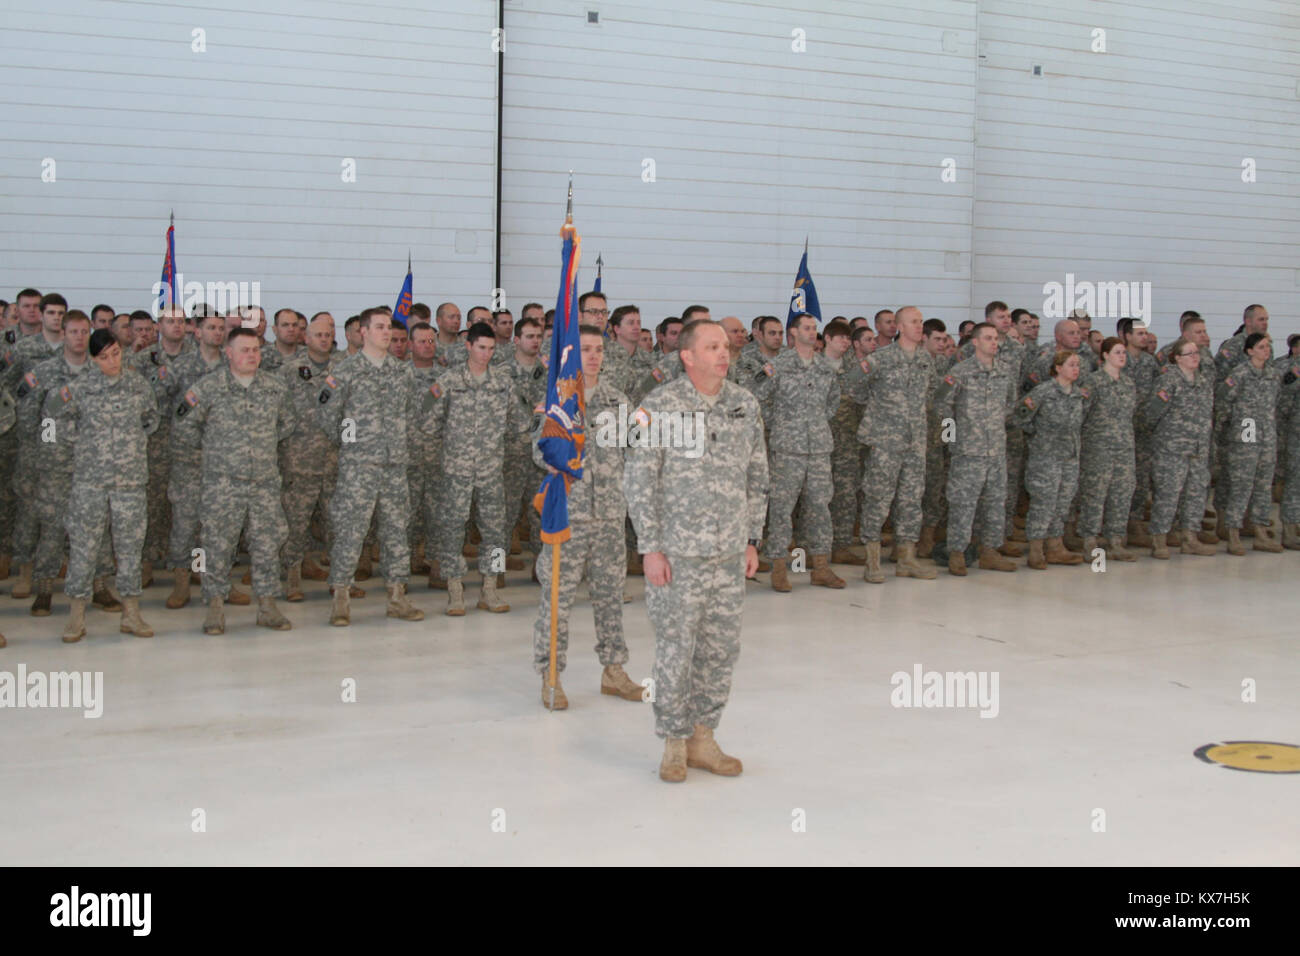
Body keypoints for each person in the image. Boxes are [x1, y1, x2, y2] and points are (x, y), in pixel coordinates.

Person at [625, 320, 767, 783]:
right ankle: (673, 741)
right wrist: (650, 547)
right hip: (678, 553)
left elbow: (757, 474)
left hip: (728, 552)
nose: (724, 354)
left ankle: (704, 737)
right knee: (675, 648)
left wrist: (751, 538)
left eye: (725, 346)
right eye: (712, 346)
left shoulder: (744, 404)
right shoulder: (659, 405)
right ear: (688, 356)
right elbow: (640, 479)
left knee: (721, 649)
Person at [532, 325, 642, 708]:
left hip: (610, 515)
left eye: (598, 350)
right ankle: (551, 675)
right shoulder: (559, 400)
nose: (593, 356)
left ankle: (614, 671)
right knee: (557, 599)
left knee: (611, 597)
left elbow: (637, 454)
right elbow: (537, 454)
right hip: (569, 517)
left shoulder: (617, 400)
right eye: (585, 350)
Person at [172, 328, 297, 634]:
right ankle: (215, 608)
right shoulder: (208, 387)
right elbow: (185, 427)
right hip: (223, 484)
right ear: (228, 353)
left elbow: (287, 423)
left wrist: (260, 447)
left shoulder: (275, 388)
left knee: (267, 545)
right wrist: (218, 451)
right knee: (217, 546)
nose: (252, 355)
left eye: (255, 349)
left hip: (264, 483)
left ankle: (268, 606)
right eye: (244, 350)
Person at [319, 308, 426, 625]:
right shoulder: (345, 371)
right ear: (362, 332)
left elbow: (410, 413)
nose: (386, 332)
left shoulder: (402, 371)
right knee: (350, 532)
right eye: (378, 327)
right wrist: (353, 441)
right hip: (359, 467)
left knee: (396, 532)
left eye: (388, 327)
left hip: (394, 465)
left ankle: (397, 596)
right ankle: (341, 596)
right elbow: (328, 417)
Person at [57, 331, 159, 642]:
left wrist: (132, 443)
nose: (112, 361)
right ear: (92, 359)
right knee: (84, 548)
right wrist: (86, 444)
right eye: (104, 357)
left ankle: (131, 614)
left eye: (116, 353)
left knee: (130, 548)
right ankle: (76, 616)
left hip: (129, 481)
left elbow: (152, 418)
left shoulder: (138, 384)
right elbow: (57, 422)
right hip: (91, 482)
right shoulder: (80, 388)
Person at [425, 322, 523, 615]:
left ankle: (489, 589)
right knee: (452, 529)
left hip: (492, 471)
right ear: (468, 346)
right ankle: (455, 590)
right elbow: (428, 422)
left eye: (491, 349)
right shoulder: (448, 381)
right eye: (481, 347)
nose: (486, 354)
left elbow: (517, 423)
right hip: (456, 471)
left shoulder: (504, 383)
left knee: (496, 531)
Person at [750, 313, 842, 591]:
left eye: (815, 328)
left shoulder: (826, 368)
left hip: (818, 448)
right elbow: (758, 398)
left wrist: (813, 423)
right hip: (787, 448)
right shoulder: (778, 365)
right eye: (806, 328)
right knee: (781, 507)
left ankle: (821, 566)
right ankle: (778, 566)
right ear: (793, 333)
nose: (812, 332)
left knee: (820, 507)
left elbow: (832, 402)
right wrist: (781, 423)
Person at [849, 306, 936, 583]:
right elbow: (854, 385)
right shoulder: (882, 358)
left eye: (921, 322)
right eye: (913, 322)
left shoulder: (925, 359)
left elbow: (930, 393)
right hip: (886, 441)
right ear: (899, 326)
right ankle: (872, 560)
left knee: (912, 499)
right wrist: (878, 411)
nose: (919, 326)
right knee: (878, 497)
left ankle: (906, 558)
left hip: (915, 440)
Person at [932, 323, 1018, 575]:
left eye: (996, 339)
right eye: (988, 338)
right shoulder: (960, 372)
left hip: (996, 450)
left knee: (995, 502)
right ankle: (957, 552)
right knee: (963, 503)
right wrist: (952, 438)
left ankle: (990, 551)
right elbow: (941, 404)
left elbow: (1010, 403)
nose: (995, 343)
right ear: (975, 342)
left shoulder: (1004, 372)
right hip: (968, 452)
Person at [280, 313, 346, 601]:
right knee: (296, 523)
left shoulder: (343, 370)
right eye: (318, 335)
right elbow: (278, 411)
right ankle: (292, 578)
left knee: (338, 523)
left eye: (328, 335)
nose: (324, 339)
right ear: (305, 338)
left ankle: (340, 580)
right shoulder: (289, 370)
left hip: (335, 461)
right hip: (299, 461)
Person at [1144, 337, 1217, 558]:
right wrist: (1165, 439)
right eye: (1189, 354)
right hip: (1172, 449)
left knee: (1195, 494)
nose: (1195, 357)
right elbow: (1151, 415)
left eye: (1197, 353)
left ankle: (1190, 539)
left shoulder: (1203, 382)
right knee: (1168, 495)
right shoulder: (1168, 381)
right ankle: (1159, 540)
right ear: (1177, 359)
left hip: (1198, 449)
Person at [1015, 350, 1086, 568]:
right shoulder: (1043, 392)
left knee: (1062, 503)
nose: (1076, 369)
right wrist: (1038, 437)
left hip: (1069, 457)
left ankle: (1055, 547)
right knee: (1043, 504)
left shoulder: (1077, 394)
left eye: (1078, 365)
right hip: (1046, 458)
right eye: (1071, 365)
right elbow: (1020, 417)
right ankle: (1036, 550)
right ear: (1058, 368)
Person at [1216, 332, 1284, 554]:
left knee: (1264, 486)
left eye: (1268, 346)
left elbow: (1276, 404)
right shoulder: (1240, 374)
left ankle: (1260, 531)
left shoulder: (1273, 375)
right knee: (1242, 484)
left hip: (1267, 436)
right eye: (1262, 346)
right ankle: (1233, 532)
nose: (1267, 350)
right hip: (1246, 434)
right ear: (1250, 351)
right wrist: (1225, 432)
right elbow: (1223, 402)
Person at [1078, 338, 1139, 560]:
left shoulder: (1128, 384)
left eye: (1124, 352)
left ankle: (1116, 540)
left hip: (1124, 448)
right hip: (1098, 448)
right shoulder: (1092, 383)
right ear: (1104, 355)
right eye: (1117, 352)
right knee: (1095, 495)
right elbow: (1081, 415)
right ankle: (1090, 540)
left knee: (1121, 495)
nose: (1122, 356)